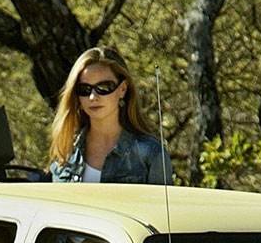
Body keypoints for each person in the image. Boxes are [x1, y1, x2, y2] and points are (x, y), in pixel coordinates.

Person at [47, 47, 173, 186]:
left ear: (123, 89)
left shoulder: (151, 154)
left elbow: (163, 207)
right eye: (85, 89)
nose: (93, 97)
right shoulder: (64, 152)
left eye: (104, 87)